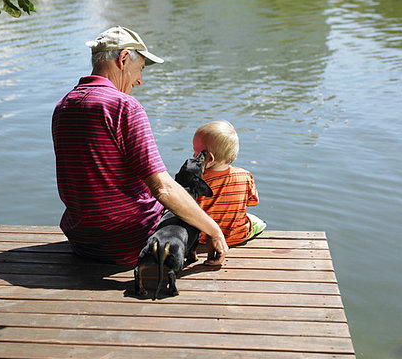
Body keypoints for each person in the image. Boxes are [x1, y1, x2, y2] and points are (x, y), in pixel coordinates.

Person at [52, 25, 228, 267]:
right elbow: (163, 189)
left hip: (82, 241)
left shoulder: (63, 106)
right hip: (130, 242)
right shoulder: (124, 106)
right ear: (123, 59)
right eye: (140, 69)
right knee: (190, 203)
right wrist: (214, 231)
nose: (140, 81)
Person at [193, 120, 266, 246]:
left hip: (203, 239)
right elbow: (252, 202)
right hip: (238, 235)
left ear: (210, 158)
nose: (193, 155)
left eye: (195, 151)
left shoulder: (196, 180)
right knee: (258, 222)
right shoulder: (245, 175)